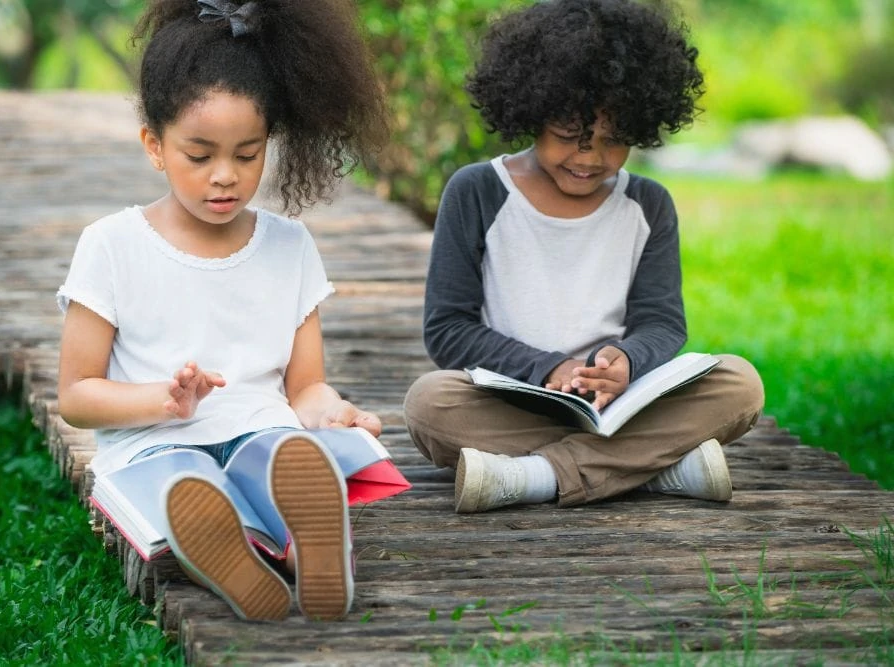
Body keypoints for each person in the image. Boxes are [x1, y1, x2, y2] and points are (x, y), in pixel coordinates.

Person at [56, 0, 389, 621]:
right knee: (188, 483)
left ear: (270, 143)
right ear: (154, 146)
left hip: (261, 429)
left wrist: (333, 411)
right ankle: (245, 551)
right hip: (154, 441)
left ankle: (302, 539)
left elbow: (305, 386)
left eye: (247, 154)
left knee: (277, 453)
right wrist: (165, 400)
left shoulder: (289, 245)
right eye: (199, 154)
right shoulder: (112, 244)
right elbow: (76, 395)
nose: (224, 177)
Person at [403, 0, 764, 514]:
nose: (589, 158)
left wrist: (626, 359)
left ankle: (535, 476)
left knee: (741, 384)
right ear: (530, 114)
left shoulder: (649, 204)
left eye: (613, 141)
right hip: (515, 402)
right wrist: (548, 369)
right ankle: (654, 468)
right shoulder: (478, 191)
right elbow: (448, 329)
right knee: (429, 403)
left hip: (622, 406)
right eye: (569, 138)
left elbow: (662, 322)